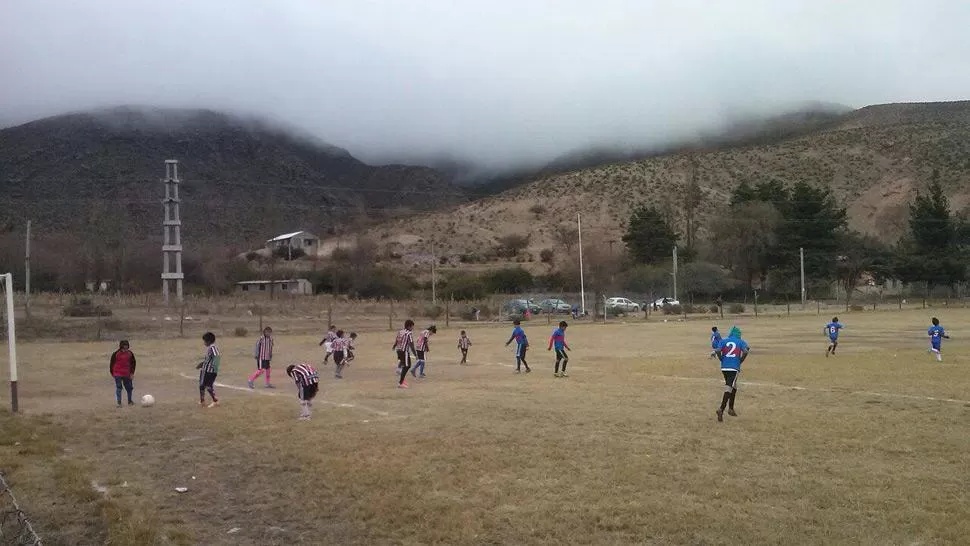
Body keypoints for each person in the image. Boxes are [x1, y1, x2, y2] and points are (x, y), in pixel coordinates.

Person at [715, 326, 749, 422]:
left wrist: (721, 358)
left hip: (724, 367)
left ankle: (731, 409)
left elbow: (717, 350)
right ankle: (721, 409)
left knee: (733, 387)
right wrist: (741, 360)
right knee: (729, 387)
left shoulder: (724, 341)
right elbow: (746, 351)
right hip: (734, 368)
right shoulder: (740, 341)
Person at [196, 332, 221, 408]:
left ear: (208, 341)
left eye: (204, 341)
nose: (204, 343)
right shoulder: (210, 348)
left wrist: (214, 368)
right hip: (205, 370)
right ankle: (202, 400)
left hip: (209, 371)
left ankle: (215, 401)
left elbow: (217, 357)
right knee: (201, 385)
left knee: (208, 386)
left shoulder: (213, 348)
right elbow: (208, 359)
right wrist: (202, 364)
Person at [109, 340, 137, 407]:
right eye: (124, 346)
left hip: (126, 374)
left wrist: (132, 373)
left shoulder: (130, 353)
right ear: (121, 346)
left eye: (127, 346)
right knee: (119, 387)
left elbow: (133, 363)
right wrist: (113, 373)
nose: (126, 348)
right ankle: (119, 403)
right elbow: (111, 364)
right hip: (117, 374)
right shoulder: (116, 354)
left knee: (129, 388)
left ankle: (129, 401)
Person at [392, 320, 417, 388]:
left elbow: (397, 339)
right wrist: (415, 354)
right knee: (407, 366)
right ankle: (400, 383)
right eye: (412, 326)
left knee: (405, 365)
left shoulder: (401, 331)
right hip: (404, 351)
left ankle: (401, 377)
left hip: (399, 350)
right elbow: (411, 344)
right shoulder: (409, 333)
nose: (413, 328)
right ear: (409, 326)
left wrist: (394, 346)